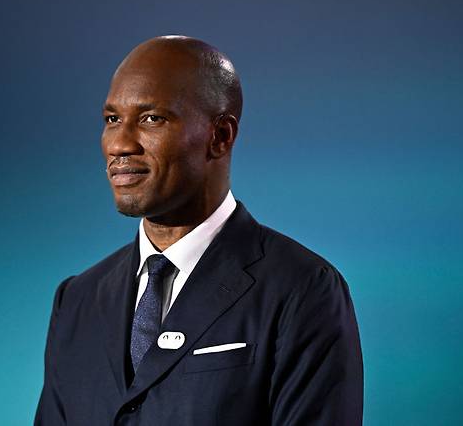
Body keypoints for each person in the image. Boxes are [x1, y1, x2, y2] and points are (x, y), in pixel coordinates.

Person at [34, 35, 363, 426]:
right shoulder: (77, 300)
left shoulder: (302, 288)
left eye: (151, 118)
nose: (119, 144)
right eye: (112, 120)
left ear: (220, 136)